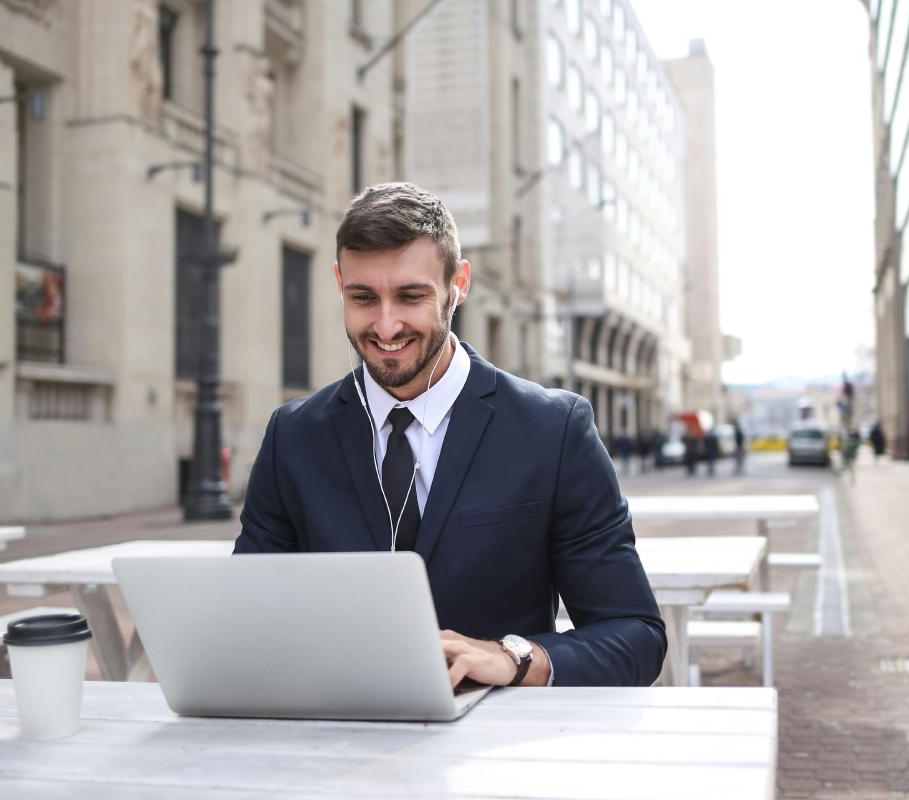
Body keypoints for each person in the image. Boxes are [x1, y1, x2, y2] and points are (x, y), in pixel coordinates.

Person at [234, 183, 666, 688]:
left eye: (411, 296)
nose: (386, 324)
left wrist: (513, 659)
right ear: (339, 283)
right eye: (363, 298)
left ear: (458, 284)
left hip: (496, 744)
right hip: (336, 734)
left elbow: (635, 634)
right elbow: (250, 614)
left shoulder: (553, 430)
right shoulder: (294, 436)